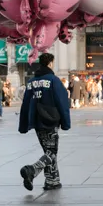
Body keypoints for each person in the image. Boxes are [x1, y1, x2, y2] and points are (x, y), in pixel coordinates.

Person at [19, 52, 71, 191]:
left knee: (48, 150)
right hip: (50, 119)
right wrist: (66, 122)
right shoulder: (53, 80)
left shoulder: (31, 82)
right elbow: (62, 101)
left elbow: (25, 103)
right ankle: (32, 169)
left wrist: (23, 124)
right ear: (50, 63)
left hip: (36, 120)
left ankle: (52, 180)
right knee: (52, 151)